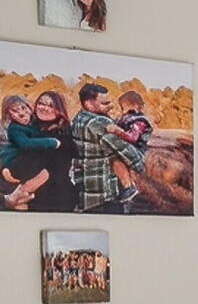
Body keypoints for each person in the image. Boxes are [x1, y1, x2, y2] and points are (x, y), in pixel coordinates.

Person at [63, 82, 147, 214]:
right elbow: (121, 147)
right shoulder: (98, 123)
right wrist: (142, 166)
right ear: (89, 104)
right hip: (104, 190)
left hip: (87, 186)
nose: (110, 106)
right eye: (105, 103)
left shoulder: (79, 118)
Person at [0, 93, 64, 208]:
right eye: (15, 111)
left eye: (23, 108)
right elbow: (26, 144)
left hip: (27, 162)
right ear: (9, 115)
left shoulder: (33, 122)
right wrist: (51, 142)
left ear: (29, 108)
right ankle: (15, 196)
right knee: (44, 170)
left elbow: (39, 133)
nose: (21, 113)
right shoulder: (15, 129)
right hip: (16, 164)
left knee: (45, 173)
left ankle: (21, 199)